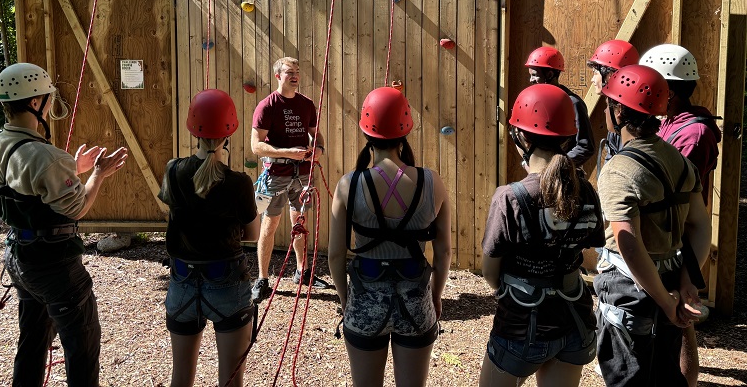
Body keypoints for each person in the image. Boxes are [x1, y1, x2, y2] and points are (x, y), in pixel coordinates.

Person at [0, 63, 128, 387]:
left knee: (32, 343)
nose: (50, 103)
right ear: (35, 103)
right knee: (82, 348)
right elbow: (76, 207)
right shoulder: (46, 156)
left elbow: (26, 186)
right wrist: (97, 174)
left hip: (20, 258)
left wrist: (71, 168)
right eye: (48, 98)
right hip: (54, 267)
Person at [479, 84, 605, 387]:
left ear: (520, 137)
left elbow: (490, 271)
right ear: (567, 136)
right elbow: (590, 249)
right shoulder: (585, 190)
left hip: (521, 327)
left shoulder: (510, 197)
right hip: (574, 322)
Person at [594, 64, 711, 387]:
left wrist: (664, 300)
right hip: (672, 276)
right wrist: (687, 282)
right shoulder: (678, 160)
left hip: (631, 290)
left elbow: (629, 245)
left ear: (617, 111)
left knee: (628, 379)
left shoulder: (619, 171)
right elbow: (700, 225)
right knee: (664, 374)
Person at [328, 87, 451, 387]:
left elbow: (334, 255)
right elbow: (444, 251)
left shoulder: (349, 185)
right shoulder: (431, 182)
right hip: (416, 301)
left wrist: (347, 300)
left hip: (364, 300)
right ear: (405, 130)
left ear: (366, 133)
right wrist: (435, 295)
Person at [160, 89, 260, 387]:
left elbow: (176, 214)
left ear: (194, 129)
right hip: (227, 283)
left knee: (181, 378)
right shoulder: (239, 182)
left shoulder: (173, 170)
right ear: (229, 133)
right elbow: (252, 235)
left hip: (182, 282)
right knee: (231, 380)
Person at [640, 44, 721, 386]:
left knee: (680, 318)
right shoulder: (674, 122)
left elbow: (669, 184)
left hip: (680, 234)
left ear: (669, 91)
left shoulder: (693, 133)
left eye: (653, 87)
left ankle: (685, 382)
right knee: (672, 315)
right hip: (670, 229)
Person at [251, 57, 329, 302]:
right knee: (269, 225)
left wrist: (318, 150)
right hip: (276, 175)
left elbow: (317, 136)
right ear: (278, 76)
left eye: (296, 71)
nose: (294, 75)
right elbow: (256, 147)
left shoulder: (306, 104)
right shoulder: (267, 105)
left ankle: (302, 272)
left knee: (301, 225)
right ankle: (263, 279)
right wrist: (286, 153)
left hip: (303, 174)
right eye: (288, 72)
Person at [526, 46, 595, 166]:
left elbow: (585, 146)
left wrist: (556, 166)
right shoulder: (538, 103)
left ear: (550, 74)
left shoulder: (572, 103)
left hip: (564, 176)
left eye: (534, 75)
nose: (530, 80)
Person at [587, 39, 640, 173]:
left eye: (595, 72)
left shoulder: (629, 119)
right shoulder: (615, 114)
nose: (592, 79)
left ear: (610, 75)